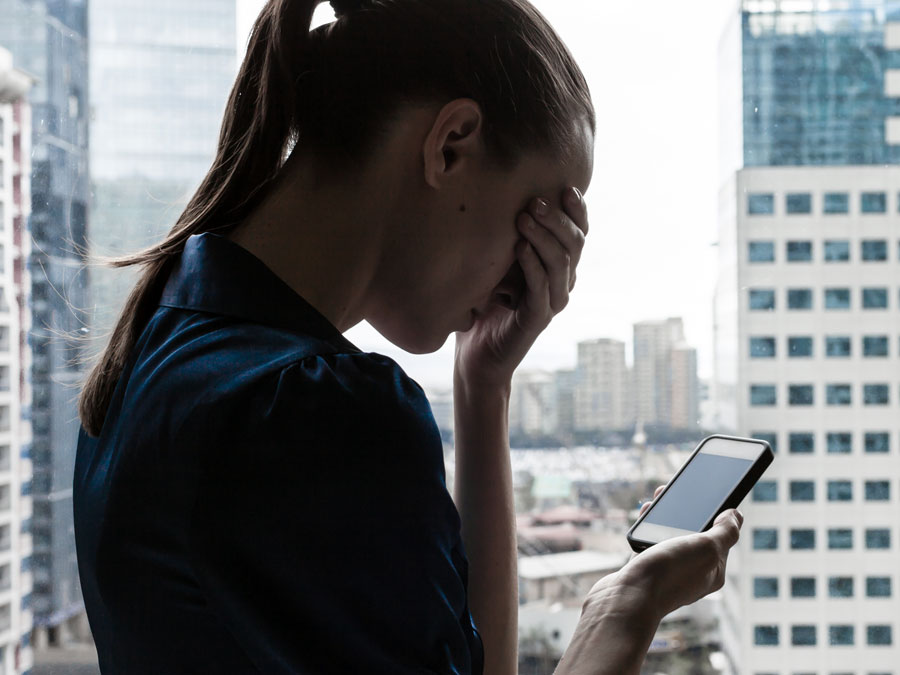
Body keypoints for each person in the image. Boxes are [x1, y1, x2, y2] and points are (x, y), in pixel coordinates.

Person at [73, 0, 743, 673]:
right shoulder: (309, 416)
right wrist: (623, 611)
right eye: (536, 223)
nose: (529, 283)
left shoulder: (157, 340)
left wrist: (484, 386)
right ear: (452, 144)